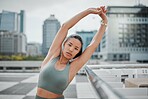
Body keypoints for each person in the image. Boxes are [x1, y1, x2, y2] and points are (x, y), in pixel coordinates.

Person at [36, 6, 108, 99]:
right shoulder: (52, 55)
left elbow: (93, 45)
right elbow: (65, 26)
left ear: (77, 53)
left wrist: (104, 21)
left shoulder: (73, 67)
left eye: (76, 48)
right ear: (64, 44)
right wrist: (88, 11)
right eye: (69, 45)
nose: (71, 49)